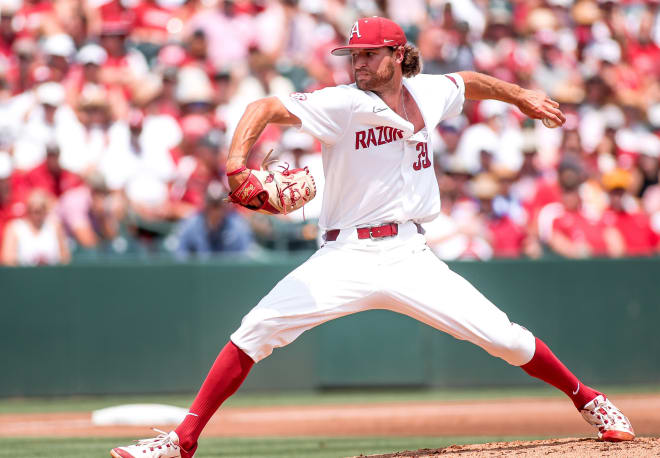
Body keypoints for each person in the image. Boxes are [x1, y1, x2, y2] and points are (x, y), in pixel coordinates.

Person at [110, 17, 634, 458]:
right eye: (351, 54)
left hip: (410, 254)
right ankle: (182, 440)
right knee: (256, 329)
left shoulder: (428, 93)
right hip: (345, 255)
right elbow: (262, 109)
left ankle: (589, 399)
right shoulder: (342, 103)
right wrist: (234, 166)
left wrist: (520, 97)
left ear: (397, 54)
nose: (356, 63)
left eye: (367, 54)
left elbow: (469, 81)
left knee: (505, 338)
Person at [174, 181, 254, 259]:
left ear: (226, 207)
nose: (215, 211)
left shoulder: (238, 227)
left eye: (218, 205)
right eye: (212, 205)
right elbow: (180, 258)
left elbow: (245, 261)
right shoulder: (191, 225)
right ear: (205, 205)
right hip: (199, 272)